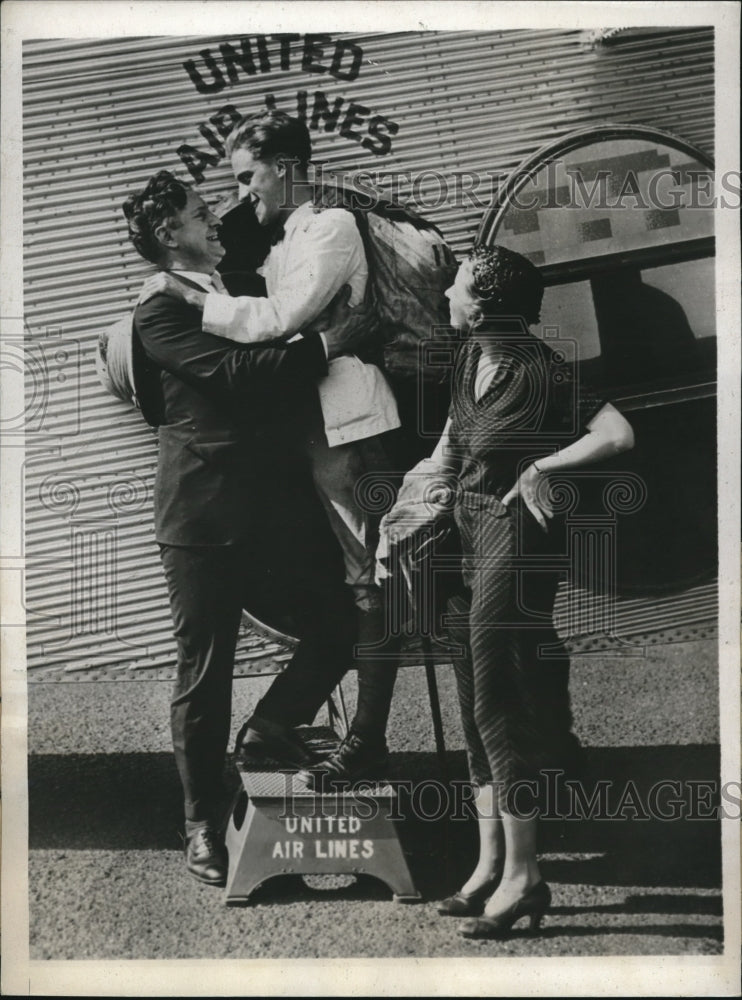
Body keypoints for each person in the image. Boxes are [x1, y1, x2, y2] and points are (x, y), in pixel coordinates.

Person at [141, 111, 405, 787]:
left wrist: (188, 299)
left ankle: (367, 741)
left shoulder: (329, 227)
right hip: (309, 436)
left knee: (367, 587)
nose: (242, 195)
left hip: (345, 428)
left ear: (285, 168)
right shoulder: (283, 236)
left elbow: (281, 323)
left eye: (248, 176)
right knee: (344, 594)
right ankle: (274, 733)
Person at [378, 244, 634, 938]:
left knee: (500, 701)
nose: (446, 296)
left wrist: (546, 465)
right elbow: (455, 444)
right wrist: (407, 511)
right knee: (470, 700)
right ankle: (489, 864)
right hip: (465, 536)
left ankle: (526, 877)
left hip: (516, 545)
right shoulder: (470, 357)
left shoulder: (539, 367)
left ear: (485, 303)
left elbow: (618, 431)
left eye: (457, 287)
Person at [123, 169, 362, 886]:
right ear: (170, 236)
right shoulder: (159, 310)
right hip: (202, 516)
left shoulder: (232, 292)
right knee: (205, 671)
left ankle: (266, 732)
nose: (217, 221)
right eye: (201, 215)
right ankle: (201, 823)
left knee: (341, 628)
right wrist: (327, 345)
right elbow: (242, 374)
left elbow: (271, 346)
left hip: (275, 510)